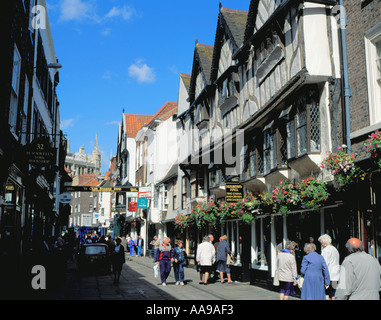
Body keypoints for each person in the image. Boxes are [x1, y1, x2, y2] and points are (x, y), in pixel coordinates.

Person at [318, 234, 340, 300]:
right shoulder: (334, 249)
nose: (321, 244)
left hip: (329, 274)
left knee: (328, 293)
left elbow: (324, 263)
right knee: (333, 292)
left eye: (321, 243)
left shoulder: (325, 250)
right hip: (336, 274)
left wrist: (322, 274)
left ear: (323, 242)